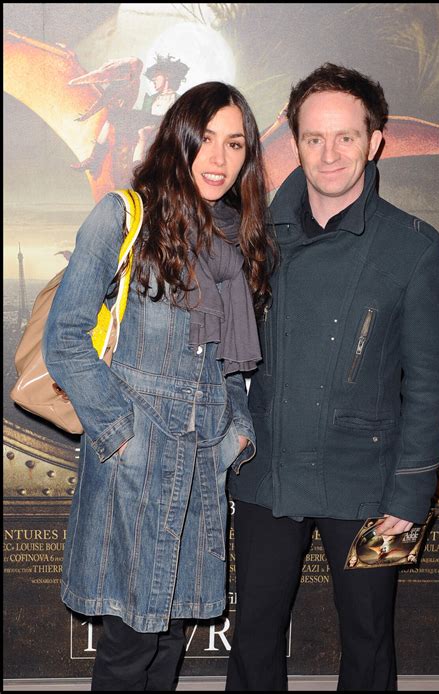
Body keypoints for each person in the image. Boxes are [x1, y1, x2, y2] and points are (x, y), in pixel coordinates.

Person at [226, 63, 439, 691]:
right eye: (314, 138)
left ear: (375, 140)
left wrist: (409, 497)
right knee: (255, 637)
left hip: (370, 486)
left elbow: (430, 388)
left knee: (369, 639)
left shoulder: (417, 248)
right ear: (294, 142)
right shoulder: (254, 237)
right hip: (266, 475)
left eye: (346, 137)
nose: (329, 154)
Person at [43, 81, 275, 691]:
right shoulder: (122, 215)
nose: (220, 161)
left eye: (235, 145)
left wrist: (237, 433)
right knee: (128, 643)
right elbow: (64, 339)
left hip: (200, 466)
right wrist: (122, 435)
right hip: (137, 465)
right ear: (179, 138)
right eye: (207, 141)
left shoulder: (233, 240)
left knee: (170, 638)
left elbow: (228, 365)